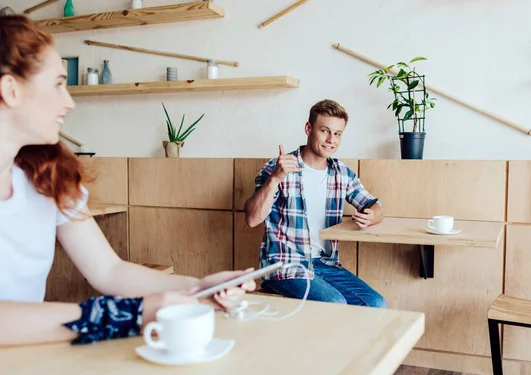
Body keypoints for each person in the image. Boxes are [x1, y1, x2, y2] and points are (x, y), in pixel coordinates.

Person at [0, 15, 256, 347]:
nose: (69, 101)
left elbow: (109, 271)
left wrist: (200, 287)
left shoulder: (47, 178)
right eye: (58, 83)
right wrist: (126, 314)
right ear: (11, 89)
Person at [244, 99, 387, 308]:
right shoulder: (279, 167)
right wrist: (275, 178)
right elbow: (251, 219)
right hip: (285, 265)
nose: (331, 140)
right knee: (334, 303)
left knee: (376, 303)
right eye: (324, 131)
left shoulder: (341, 173)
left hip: (326, 264)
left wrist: (371, 216)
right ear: (308, 128)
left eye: (337, 134)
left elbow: (375, 205)